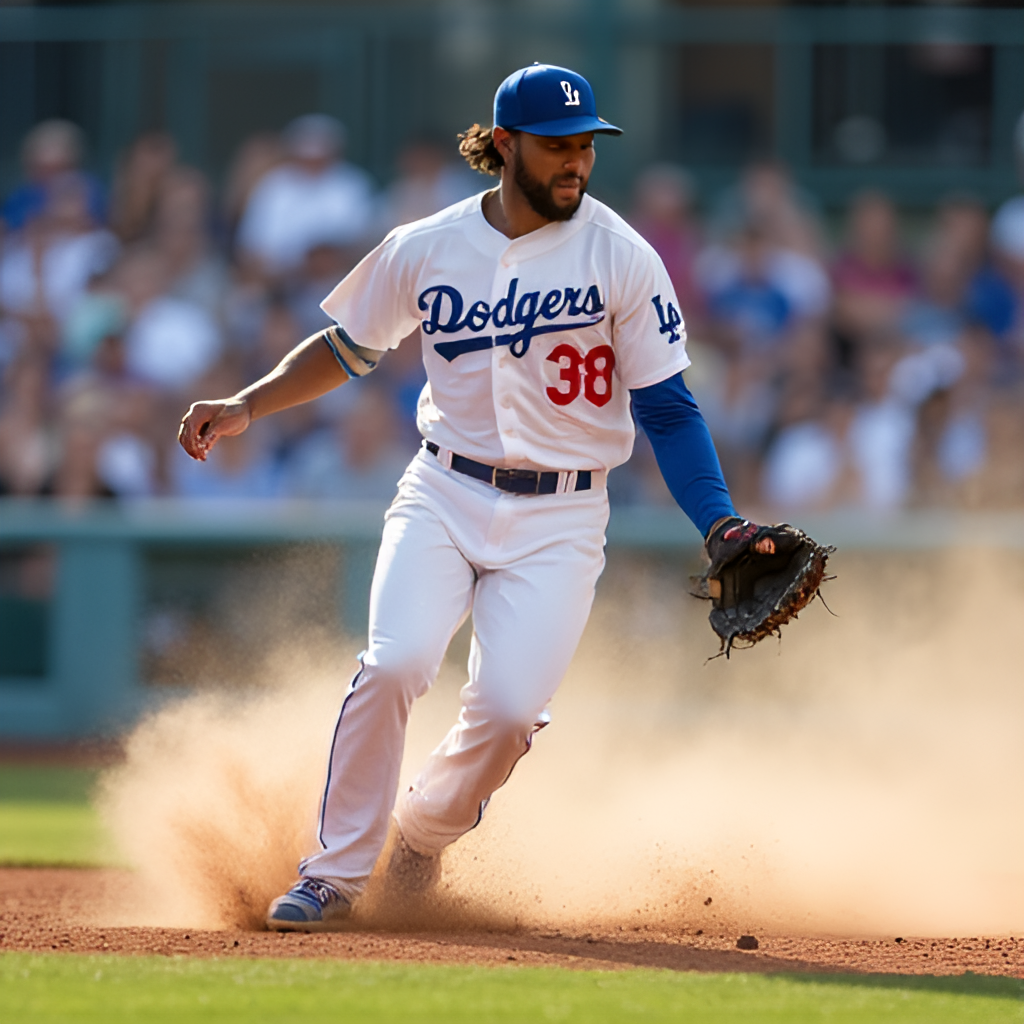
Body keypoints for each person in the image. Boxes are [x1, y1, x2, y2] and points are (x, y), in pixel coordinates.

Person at [178, 64, 742, 931]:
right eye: (559, 145)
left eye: (587, 145)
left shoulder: (622, 254)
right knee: (396, 661)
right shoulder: (426, 245)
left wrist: (720, 521)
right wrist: (249, 401)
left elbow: (668, 406)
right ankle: (331, 873)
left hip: (562, 514)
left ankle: (419, 841)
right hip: (443, 486)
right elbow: (347, 346)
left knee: (511, 714)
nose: (578, 162)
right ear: (504, 145)